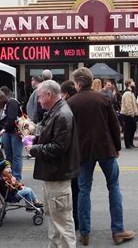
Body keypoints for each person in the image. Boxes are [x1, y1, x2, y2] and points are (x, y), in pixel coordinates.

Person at [67, 67, 134, 246]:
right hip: (105, 149)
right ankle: (118, 230)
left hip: (83, 152)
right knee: (113, 187)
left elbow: (69, 130)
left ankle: (85, 233)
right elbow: (114, 125)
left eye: (75, 82)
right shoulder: (103, 98)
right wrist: (117, 147)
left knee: (83, 191)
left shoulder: (71, 102)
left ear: (79, 83)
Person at [27, 80, 79, 247]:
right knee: (56, 218)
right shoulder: (56, 111)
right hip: (53, 174)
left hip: (58, 173)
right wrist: (34, 134)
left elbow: (58, 147)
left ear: (49, 95)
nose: (39, 101)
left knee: (62, 221)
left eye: (40, 97)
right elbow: (48, 134)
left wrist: (33, 149)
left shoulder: (62, 114)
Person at [59, 79, 80, 231]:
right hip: (81, 149)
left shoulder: (68, 105)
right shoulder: (75, 102)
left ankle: (75, 220)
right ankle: (79, 220)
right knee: (79, 188)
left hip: (73, 151)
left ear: (65, 93)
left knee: (74, 188)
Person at [0, 90, 23, 181]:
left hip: (15, 132)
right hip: (7, 132)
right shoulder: (0, 107)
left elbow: (12, 118)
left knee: (16, 156)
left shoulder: (11, 102)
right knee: (8, 155)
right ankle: (10, 176)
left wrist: (4, 128)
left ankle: (16, 178)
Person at [120, 78, 138, 149]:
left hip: (131, 114)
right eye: (133, 82)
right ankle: (128, 144)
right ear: (129, 84)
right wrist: (131, 113)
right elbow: (128, 104)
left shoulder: (130, 92)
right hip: (128, 114)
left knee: (132, 128)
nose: (134, 83)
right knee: (128, 129)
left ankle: (130, 143)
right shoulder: (127, 93)